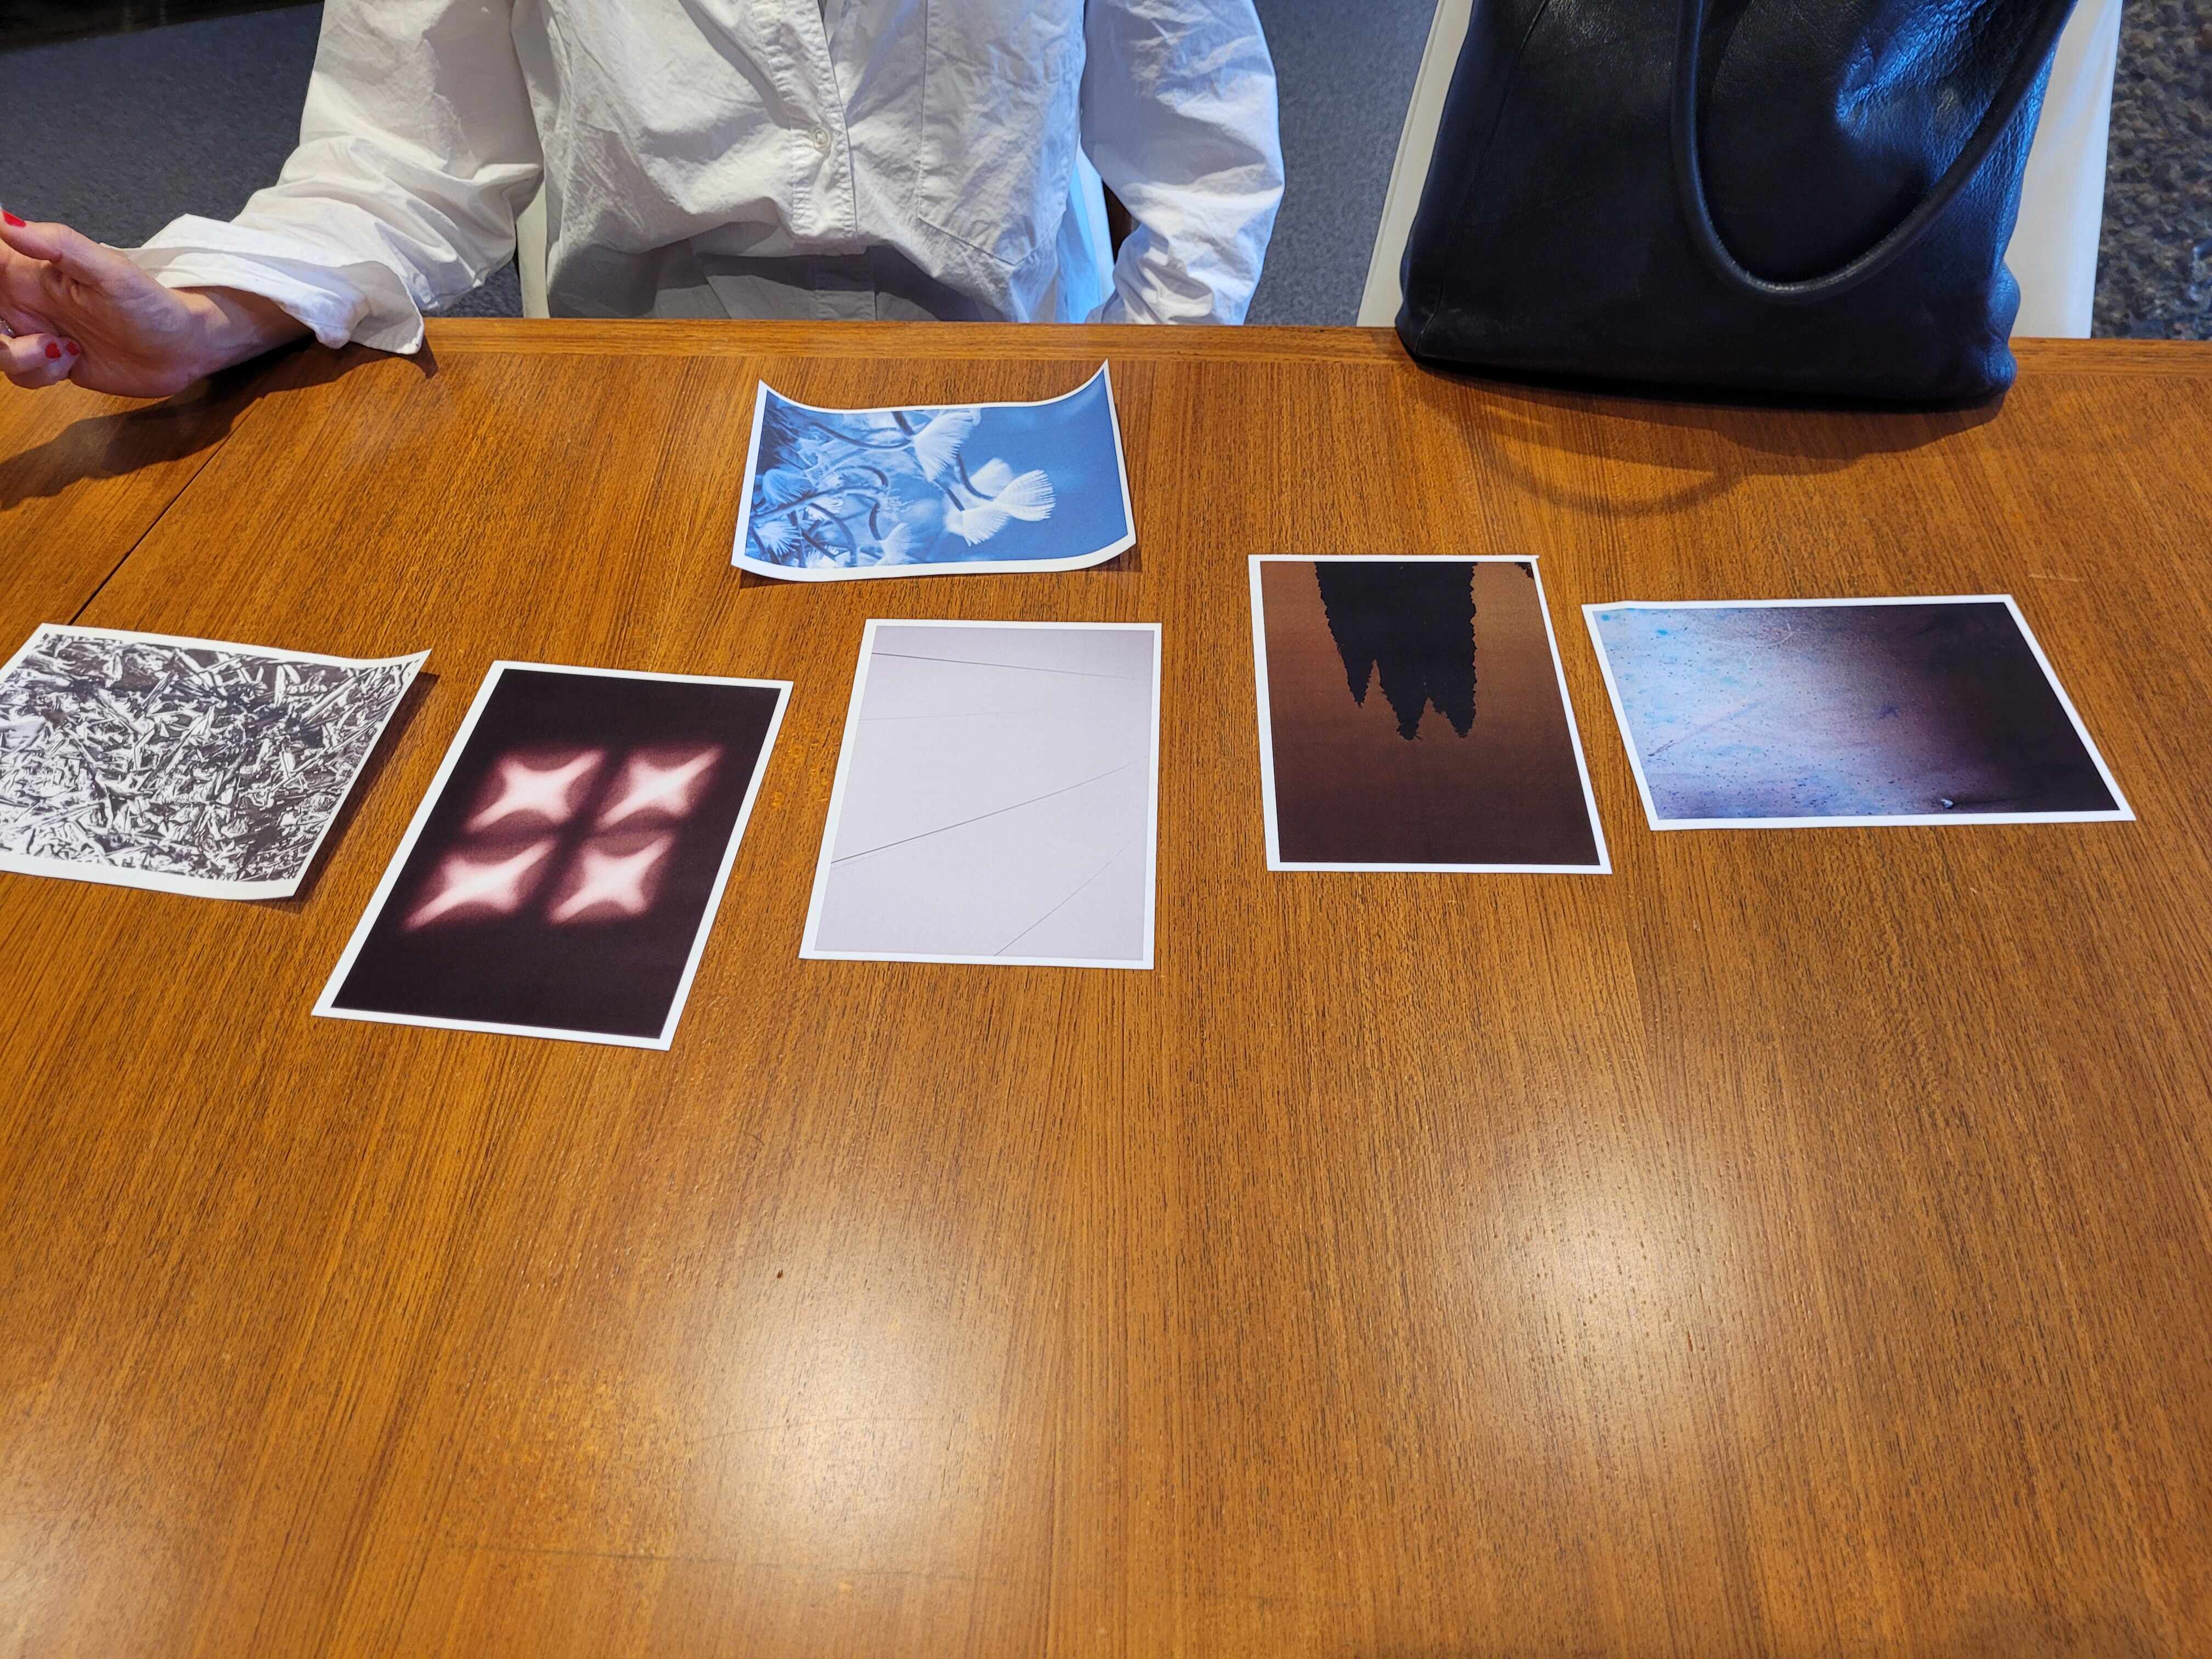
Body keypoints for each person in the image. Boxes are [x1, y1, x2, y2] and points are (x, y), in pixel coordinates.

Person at [1, 0, 1285, 399]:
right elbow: (404, 159)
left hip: (1028, 370)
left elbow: (1202, 146)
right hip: (638, 391)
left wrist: (1152, 390)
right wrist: (213, 312)